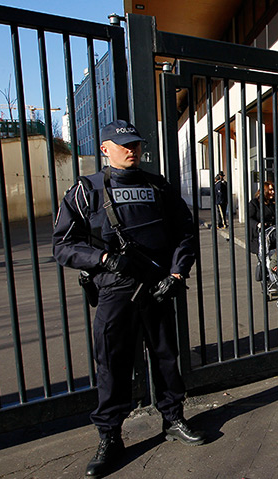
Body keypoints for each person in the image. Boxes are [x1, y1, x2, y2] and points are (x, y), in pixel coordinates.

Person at [52, 120, 204, 478]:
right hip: (115, 289)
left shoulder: (157, 186)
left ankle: (172, 419)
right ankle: (110, 436)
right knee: (112, 363)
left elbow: (185, 230)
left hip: (157, 287)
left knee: (166, 356)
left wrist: (178, 272)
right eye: (124, 145)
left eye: (135, 144)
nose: (132, 150)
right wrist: (102, 259)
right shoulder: (85, 190)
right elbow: (62, 245)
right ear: (105, 149)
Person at [248, 181, 278, 255]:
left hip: (272, 234)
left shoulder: (273, 203)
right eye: (270, 190)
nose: (273, 192)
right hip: (259, 236)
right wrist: (257, 224)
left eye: (273, 189)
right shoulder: (254, 203)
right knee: (263, 259)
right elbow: (249, 218)